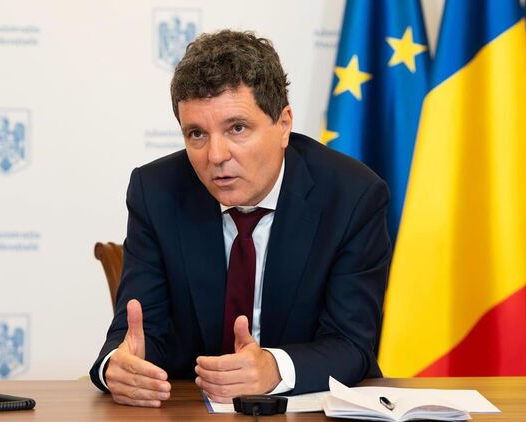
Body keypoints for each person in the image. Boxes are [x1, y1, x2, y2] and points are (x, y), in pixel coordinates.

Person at [89, 30, 391, 408]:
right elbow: (137, 332)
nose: (216, 155)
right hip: (189, 409)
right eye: (196, 134)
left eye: (237, 128)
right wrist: (116, 368)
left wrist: (274, 368)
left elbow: (351, 343)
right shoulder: (156, 192)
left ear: (284, 125)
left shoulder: (351, 196)